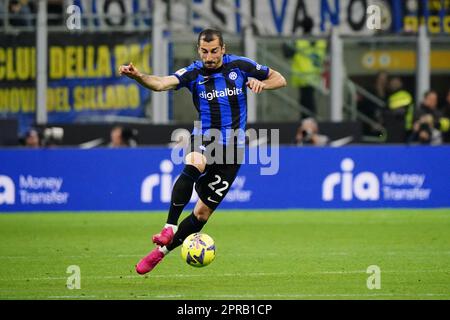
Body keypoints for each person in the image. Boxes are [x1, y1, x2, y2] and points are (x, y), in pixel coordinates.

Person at [119, 29, 287, 275]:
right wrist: (138, 76)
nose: (209, 57)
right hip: (207, 138)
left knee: (201, 213)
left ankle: (160, 253)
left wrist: (262, 83)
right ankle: (169, 226)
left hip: (233, 150)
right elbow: (161, 83)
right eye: (205, 51)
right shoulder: (194, 73)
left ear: (223, 48)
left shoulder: (240, 66)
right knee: (194, 162)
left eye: (214, 51)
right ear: (199, 50)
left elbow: (280, 79)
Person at [283, 17, 327, 119]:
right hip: (315, 76)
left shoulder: (299, 41)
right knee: (310, 102)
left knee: (306, 103)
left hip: (302, 77)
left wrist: (289, 36)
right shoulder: (320, 42)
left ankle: (308, 122)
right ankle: (310, 120)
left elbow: (287, 53)